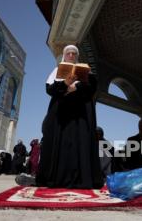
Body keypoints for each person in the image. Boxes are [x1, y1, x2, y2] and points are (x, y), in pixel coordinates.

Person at [29, 45, 103, 189]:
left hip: (81, 114)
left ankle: (82, 179)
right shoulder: (56, 71)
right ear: (64, 55)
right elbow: (50, 89)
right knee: (60, 142)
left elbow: (92, 87)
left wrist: (77, 87)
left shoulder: (86, 71)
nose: (71, 55)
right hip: (61, 113)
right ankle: (56, 178)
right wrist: (65, 84)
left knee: (80, 143)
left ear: (77, 56)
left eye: (74, 53)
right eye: (68, 53)